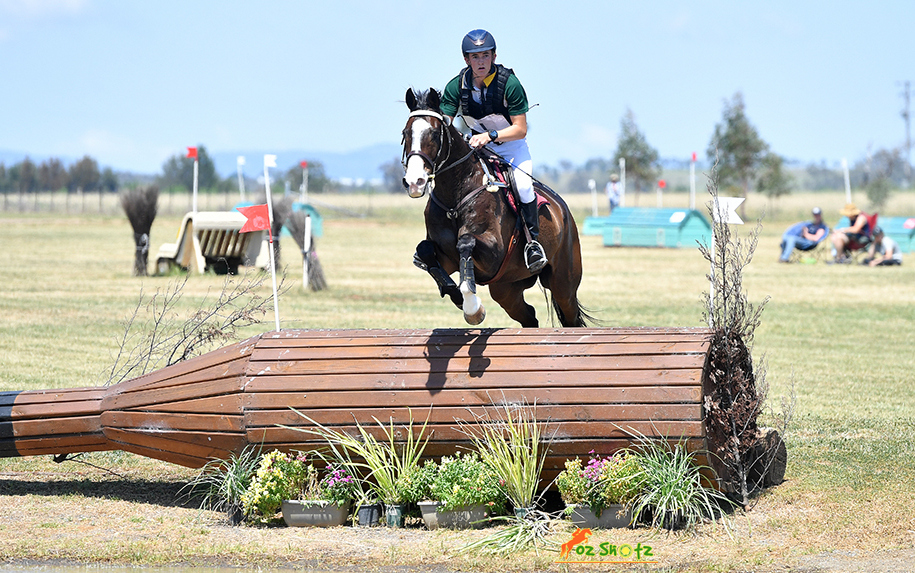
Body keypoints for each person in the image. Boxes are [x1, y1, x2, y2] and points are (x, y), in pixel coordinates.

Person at [439, 29, 547, 273]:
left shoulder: (510, 84)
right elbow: (444, 123)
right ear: (466, 60)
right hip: (479, 150)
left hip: (512, 147)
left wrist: (489, 136)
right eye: (475, 57)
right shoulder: (456, 86)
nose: (481, 62)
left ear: (494, 56)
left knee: (522, 186)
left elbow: (520, 129)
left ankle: (533, 245)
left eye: (485, 56)